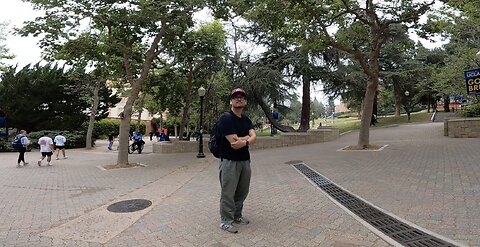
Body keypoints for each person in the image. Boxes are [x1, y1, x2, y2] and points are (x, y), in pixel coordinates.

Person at [216, 87, 256, 234]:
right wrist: (247, 139)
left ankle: (237, 216)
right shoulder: (225, 118)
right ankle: (225, 221)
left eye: (242, 97)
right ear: (231, 101)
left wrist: (244, 140)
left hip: (245, 161)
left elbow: (254, 137)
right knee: (228, 192)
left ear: (245, 102)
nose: (238, 99)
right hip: (229, 162)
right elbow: (235, 144)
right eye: (235, 97)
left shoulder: (246, 120)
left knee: (242, 192)